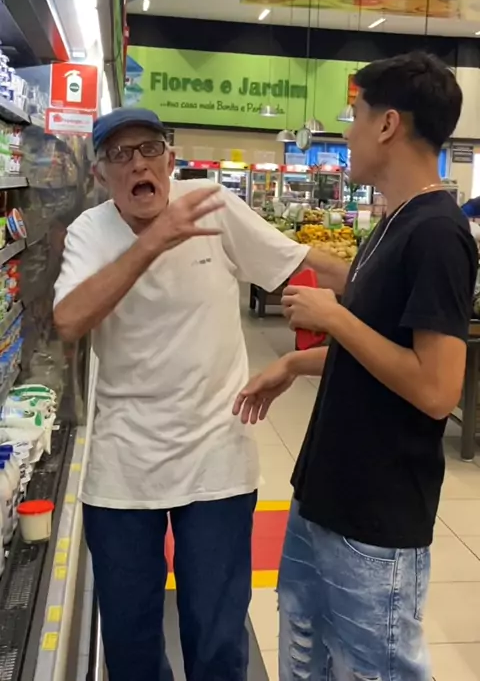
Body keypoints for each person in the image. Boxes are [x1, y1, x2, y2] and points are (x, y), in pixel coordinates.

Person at [53, 107, 340, 681]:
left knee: (216, 641)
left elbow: (297, 260)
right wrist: (154, 242)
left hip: (216, 460)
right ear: (101, 174)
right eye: (119, 154)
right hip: (123, 466)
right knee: (131, 645)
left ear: (170, 159)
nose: (138, 163)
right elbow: (69, 320)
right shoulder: (90, 230)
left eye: (149, 149)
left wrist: (394, 287)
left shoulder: (212, 204)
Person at [234, 52, 478, 681]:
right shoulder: (394, 220)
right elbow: (378, 339)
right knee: (305, 654)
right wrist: (297, 361)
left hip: (377, 517)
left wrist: (334, 318)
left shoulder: (438, 233)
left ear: (388, 124)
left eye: (355, 116)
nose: (346, 133)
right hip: (325, 494)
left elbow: (436, 388)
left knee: (375, 669)